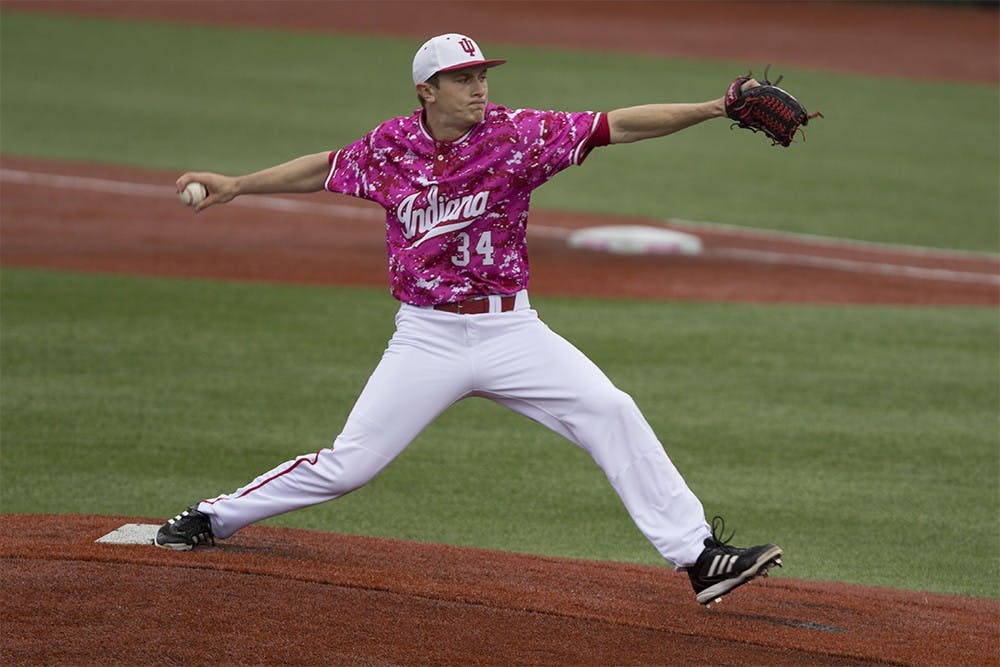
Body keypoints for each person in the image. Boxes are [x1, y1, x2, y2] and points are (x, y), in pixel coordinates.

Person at [155, 33, 782, 605]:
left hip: (513, 332)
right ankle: (213, 516)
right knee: (352, 463)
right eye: (462, 78)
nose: (479, 87)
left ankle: (700, 558)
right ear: (426, 90)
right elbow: (325, 166)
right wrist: (238, 184)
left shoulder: (519, 135)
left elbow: (616, 125)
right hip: (426, 337)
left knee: (610, 409)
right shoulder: (389, 146)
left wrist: (714, 107)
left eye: (482, 75)